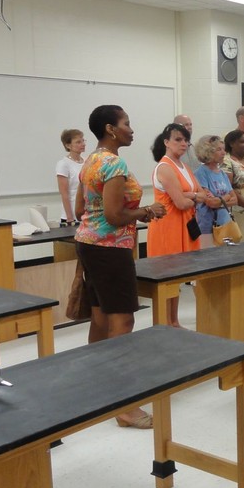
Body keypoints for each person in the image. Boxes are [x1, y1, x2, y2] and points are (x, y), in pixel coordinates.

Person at [73, 105, 165, 429]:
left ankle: (99, 387)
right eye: (126, 123)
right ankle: (124, 406)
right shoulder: (114, 163)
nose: (131, 129)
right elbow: (114, 216)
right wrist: (147, 211)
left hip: (89, 244)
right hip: (110, 249)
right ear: (111, 129)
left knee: (101, 318)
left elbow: (80, 208)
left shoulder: (91, 160)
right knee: (123, 321)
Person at [148, 123, 214, 328]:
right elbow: (180, 202)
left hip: (185, 224)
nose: (183, 143)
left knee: (177, 276)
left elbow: (200, 193)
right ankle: (164, 323)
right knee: (167, 276)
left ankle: (173, 321)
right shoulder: (165, 167)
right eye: (178, 139)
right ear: (166, 142)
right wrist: (194, 196)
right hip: (167, 227)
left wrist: (190, 195)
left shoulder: (184, 167)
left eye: (186, 140)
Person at [193, 135, 237, 248]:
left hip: (225, 223)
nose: (223, 153)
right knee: (209, 256)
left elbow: (235, 200)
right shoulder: (201, 173)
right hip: (207, 226)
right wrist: (226, 197)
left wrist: (220, 200)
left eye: (223, 149)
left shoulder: (222, 174)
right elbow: (211, 202)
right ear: (208, 152)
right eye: (219, 149)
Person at [56, 128, 86, 226]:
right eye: (78, 142)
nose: (83, 144)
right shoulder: (63, 164)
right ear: (68, 145)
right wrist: (70, 217)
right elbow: (64, 193)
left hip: (86, 214)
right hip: (71, 216)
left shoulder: (87, 161)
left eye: (83, 141)